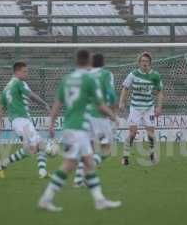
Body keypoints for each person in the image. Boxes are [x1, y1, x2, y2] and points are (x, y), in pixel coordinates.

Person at [38, 49, 121, 212]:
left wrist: (52, 124)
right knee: (69, 164)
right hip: (79, 128)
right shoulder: (89, 79)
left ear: (76, 61)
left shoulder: (67, 79)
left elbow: (57, 104)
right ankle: (45, 199)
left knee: (89, 163)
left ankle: (99, 200)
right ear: (89, 61)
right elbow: (100, 105)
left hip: (70, 126)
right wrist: (114, 116)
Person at [0, 61, 51, 179]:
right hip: (21, 120)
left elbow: (0, 106)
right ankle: (45, 168)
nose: (27, 74)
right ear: (16, 72)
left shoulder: (7, 87)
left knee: (30, 149)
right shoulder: (19, 82)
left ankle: (3, 163)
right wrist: (45, 104)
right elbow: (31, 96)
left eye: (27, 71)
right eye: (24, 71)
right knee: (42, 146)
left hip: (19, 121)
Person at [73, 53, 117, 187]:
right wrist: (113, 112)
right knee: (107, 149)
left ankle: (78, 180)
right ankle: (87, 173)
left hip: (85, 115)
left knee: (88, 149)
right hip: (100, 115)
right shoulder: (106, 74)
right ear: (103, 63)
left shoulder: (85, 75)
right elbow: (110, 93)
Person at [119, 51, 164, 166]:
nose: (145, 63)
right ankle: (125, 156)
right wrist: (122, 102)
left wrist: (159, 107)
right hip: (135, 108)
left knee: (151, 134)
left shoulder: (155, 75)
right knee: (133, 133)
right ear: (139, 63)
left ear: (150, 63)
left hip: (149, 108)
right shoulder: (133, 74)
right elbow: (125, 88)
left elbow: (159, 92)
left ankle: (152, 154)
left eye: (147, 61)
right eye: (143, 61)